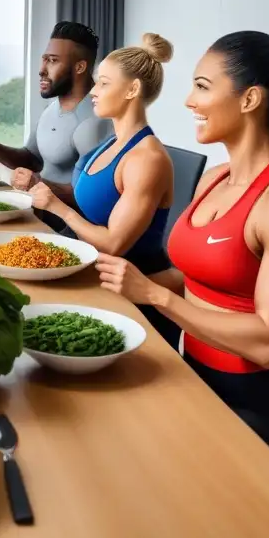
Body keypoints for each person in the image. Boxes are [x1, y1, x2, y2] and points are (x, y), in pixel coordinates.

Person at [96, 31, 269, 478]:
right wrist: (118, 287)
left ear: (250, 98)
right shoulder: (214, 178)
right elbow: (189, 276)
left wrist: (156, 299)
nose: (189, 101)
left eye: (202, 86)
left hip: (258, 407)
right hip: (192, 374)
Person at [20, 33, 180, 348]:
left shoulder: (147, 159)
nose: (93, 90)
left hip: (136, 298)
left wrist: (56, 206)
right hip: (97, 280)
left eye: (104, 83)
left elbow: (114, 243)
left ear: (132, 89)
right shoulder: (110, 142)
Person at [0, 21, 113, 231]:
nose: (42, 70)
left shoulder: (95, 121)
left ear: (80, 67)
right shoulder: (51, 109)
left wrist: (39, 184)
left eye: (52, 61)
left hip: (70, 233)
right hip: (39, 217)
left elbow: (96, 197)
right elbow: (32, 158)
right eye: (44, 60)